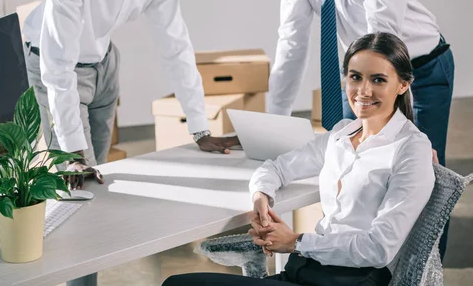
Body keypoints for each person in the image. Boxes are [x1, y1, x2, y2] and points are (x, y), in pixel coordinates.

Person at [266, 0, 454, 258]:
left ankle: (423, 272)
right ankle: (360, 266)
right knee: (357, 176)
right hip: (366, 74)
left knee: (424, 177)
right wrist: (274, 123)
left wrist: (409, 135)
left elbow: (384, 45)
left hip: (417, 67)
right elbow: (292, 42)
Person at [162, 32, 435, 286]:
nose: (363, 91)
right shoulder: (341, 133)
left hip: (350, 280)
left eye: (378, 79)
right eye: (355, 77)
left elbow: (378, 249)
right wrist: (262, 199)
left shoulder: (410, 149)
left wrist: (295, 242)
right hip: (305, 271)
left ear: (402, 85)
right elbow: (277, 168)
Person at [23, 0, 239, 192]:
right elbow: (58, 66)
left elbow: (176, 47)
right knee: (76, 175)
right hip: (53, 61)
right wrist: (72, 154)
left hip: (104, 60)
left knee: (100, 171)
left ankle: (101, 233)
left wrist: (200, 130)